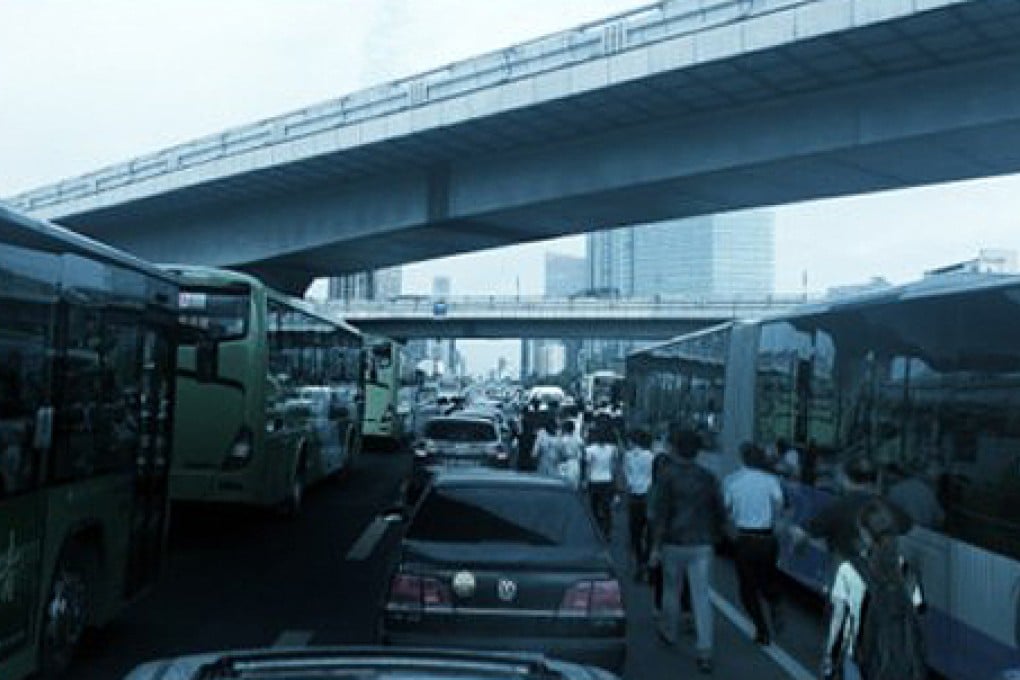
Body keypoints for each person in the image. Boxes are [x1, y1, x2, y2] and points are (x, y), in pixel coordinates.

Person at [822, 498, 926, 680]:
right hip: (900, 664)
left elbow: (839, 620)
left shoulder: (849, 570)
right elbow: (916, 614)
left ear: (864, 534)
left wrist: (830, 657)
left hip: (861, 660)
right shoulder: (906, 570)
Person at [651, 428, 725, 674]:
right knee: (701, 596)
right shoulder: (708, 477)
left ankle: (669, 631)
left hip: (674, 541)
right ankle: (705, 649)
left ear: (674, 448)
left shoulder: (666, 475)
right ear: (698, 451)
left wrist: (655, 546)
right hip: (702, 543)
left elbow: (659, 515)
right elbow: (719, 510)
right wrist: (719, 534)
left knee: (672, 590)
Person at [790, 456, 913, 563]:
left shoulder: (838, 507)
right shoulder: (894, 509)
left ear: (846, 480)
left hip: (845, 576)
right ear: (875, 480)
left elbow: (802, 534)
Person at [723, 442, 786, 646]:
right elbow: (778, 505)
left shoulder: (732, 481)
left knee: (747, 588)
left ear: (741, 458)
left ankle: (762, 630)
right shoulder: (771, 480)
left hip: (745, 539)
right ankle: (774, 602)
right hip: (768, 539)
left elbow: (726, 508)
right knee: (767, 578)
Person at [623, 430, 655, 581]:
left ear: (634, 441)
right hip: (648, 496)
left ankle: (640, 561)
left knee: (635, 534)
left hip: (634, 497)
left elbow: (626, 475)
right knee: (649, 533)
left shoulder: (628, 456)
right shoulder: (651, 456)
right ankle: (647, 561)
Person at [584, 424, 619, 539]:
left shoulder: (589, 449)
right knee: (606, 507)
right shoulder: (612, 449)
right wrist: (615, 481)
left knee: (593, 508)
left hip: (594, 480)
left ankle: (596, 530)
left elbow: (588, 467)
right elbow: (614, 467)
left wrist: (585, 480)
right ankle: (607, 531)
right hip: (607, 480)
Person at [886, 462, 944, 530]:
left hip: (908, 534)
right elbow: (941, 518)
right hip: (927, 533)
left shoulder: (894, 491)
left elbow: (890, 518)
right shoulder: (924, 488)